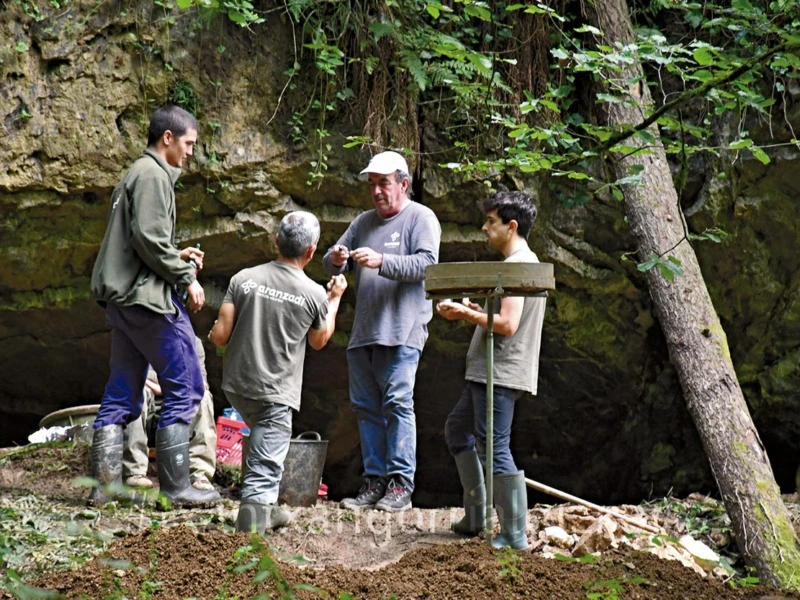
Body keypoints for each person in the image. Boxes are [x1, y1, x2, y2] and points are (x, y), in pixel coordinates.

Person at [88, 104, 219, 508]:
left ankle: (104, 488)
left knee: (123, 391)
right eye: (189, 143)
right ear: (168, 138)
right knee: (187, 383)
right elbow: (147, 238)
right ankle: (178, 487)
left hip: (124, 301)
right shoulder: (152, 175)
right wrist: (186, 277)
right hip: (146, 302)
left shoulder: (135, 174)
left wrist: (175, 255)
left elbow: (139, 242)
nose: (192, 152)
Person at [209, 211, 347, 534]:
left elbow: (219, 335)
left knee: (262, 441)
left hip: (238, 386)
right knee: (266, 464)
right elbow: (319, 340)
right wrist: (335, 298)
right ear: (311, 252)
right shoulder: (315, 294)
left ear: (276, 241)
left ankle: (266, 512)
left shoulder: (243, 278)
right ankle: (250, 535)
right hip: (274, 393)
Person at [323, 151, 441, 512]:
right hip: (364, 333)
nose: (376, 191)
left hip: (402, 331)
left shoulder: (421, 218)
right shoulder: (363, 222)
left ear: (403, 184)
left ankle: (401, 486)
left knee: (397, 405)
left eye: (383, 183)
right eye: (372, 184)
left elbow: (427, 264)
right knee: (364, 408)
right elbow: (328, 258)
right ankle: (373, 481)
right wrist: (338, 257)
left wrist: (382, 261)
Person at [435, 191, 546, 550]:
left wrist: (466, 314)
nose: (485, 228)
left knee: (495, 448)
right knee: (457, 430)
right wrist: (473, 308)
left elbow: (508, 324)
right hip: (488, 373)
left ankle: (514, 535)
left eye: (491, 222)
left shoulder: (519, 266)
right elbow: (500, 317)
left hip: (500, 374)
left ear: (511, 226)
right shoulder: (521, 264)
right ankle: (476, 515)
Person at [123, 336, 217, 492]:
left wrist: (162, 387)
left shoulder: (193, 342)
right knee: (135, 390)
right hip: (149, 413)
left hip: (182, 413)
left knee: (204, 397)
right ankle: (134, 473)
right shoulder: (138, 337)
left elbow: (201, 384)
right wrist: (173, 385)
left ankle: (200, 476)